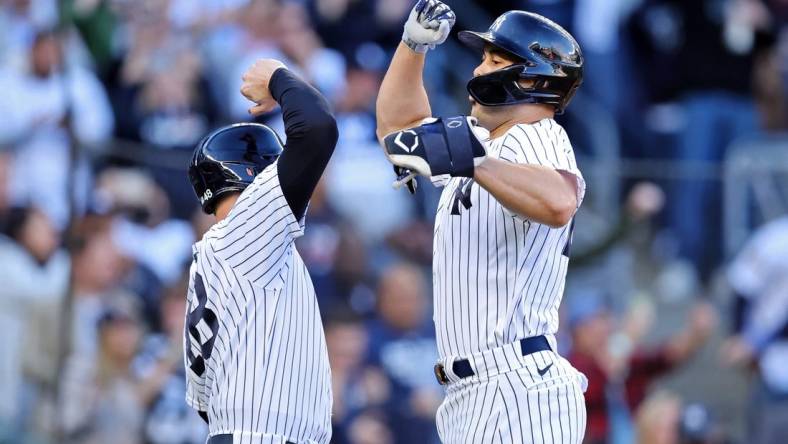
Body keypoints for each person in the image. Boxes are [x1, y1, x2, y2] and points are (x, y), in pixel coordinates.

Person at [375, 1, 587, 442]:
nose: (477, 71)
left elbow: (560, 200)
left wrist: (476, 162)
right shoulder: (486, 144)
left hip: (519, 387)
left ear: (530, 78)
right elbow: (398, 133)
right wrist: (412, 47)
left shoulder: (535, 135)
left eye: (494, 60)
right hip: (477, 391)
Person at [184, 59, 338, 444]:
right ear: (257, 174)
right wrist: (276, 76)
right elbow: (316, 129)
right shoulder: (249, 231)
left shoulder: (219, 253)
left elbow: (203, 402)